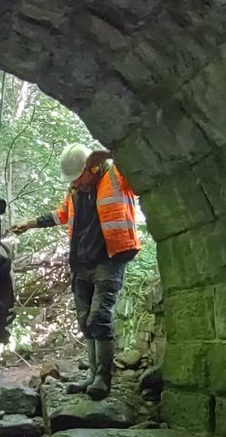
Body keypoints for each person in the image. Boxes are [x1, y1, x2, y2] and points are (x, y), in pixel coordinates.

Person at [12, 143, 140, 399]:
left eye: (78, 177)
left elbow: (143, 166)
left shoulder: (117, 176)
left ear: (92, 167)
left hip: (110, 258)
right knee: (85, 322)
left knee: (99, 319)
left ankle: (103, 380)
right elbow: (61, 215)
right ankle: (91, 376)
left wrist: (114, 152)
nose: (75, 183)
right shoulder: (75, 191)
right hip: (82, 263)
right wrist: (30, 223)